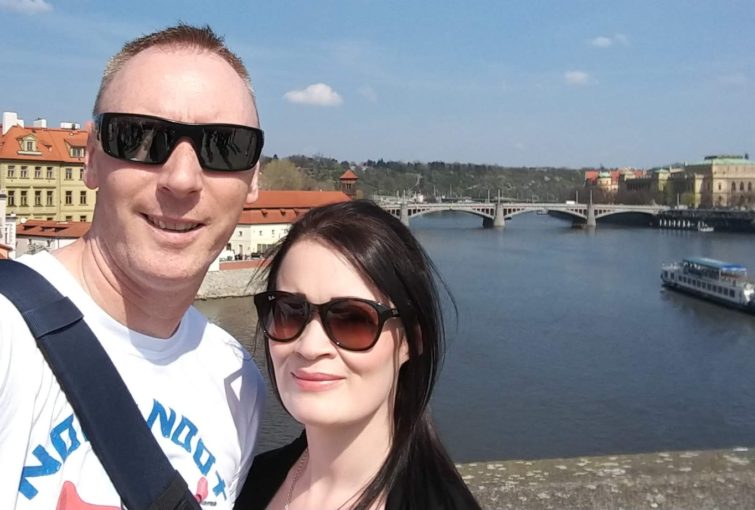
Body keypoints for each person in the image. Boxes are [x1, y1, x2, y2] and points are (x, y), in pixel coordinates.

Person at [0, 24, 266, 509]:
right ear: (92, 159)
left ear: (253, 179)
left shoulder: (238, 382)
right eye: (140, 138)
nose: (182, 179)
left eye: (225, 146)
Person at [235, 200, 480, 510]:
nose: (309, 346)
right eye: (289, 312)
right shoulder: (249, 481)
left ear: (412, 341)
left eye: (352, 320)